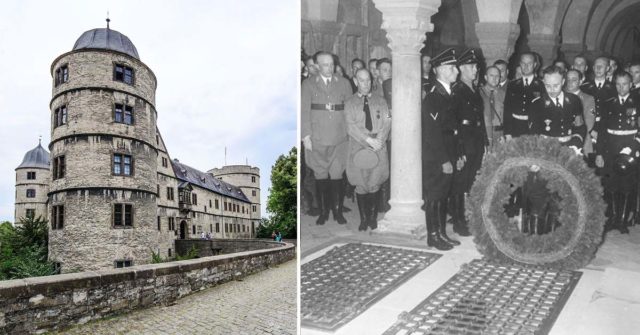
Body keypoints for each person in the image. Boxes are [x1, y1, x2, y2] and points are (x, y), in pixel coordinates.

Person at [301, 51, 352, 225]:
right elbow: (303, 111)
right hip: (318, 137)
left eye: (331, 64)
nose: (329, 68)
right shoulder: (308, 84)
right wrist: (305, 136)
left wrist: (350, 134)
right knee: (320, 174)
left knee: (337, 174)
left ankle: (337, 212)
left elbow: (350, 111)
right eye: (325, 65)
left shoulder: (344, 83)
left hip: (340, 137)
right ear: (316, 66)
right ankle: (323, 212)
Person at [422, 48, 465, 251]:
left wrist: (458, 155)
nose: (456, 71)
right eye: (452, 68)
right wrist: (443, 160)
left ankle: (441, 233)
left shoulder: (449, 94)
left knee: (442, 195)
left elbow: (455, 130)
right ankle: (433, 235)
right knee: (435, 195)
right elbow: (432, 134)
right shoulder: (432, 97)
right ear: (439, 70)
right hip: (437, 157)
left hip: (449, 153)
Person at [345, 69, 391, 231]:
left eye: (368, 80)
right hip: (358, 145)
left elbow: (387, 121)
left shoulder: (381, 101)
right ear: (355, 81)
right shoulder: (350, 103)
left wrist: (379, 139)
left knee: (374, 182)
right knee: (361, 183)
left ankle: (372, 218)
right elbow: (350, 126)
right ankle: (363, 219)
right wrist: (367, 139)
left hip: (378, 145)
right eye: (362, 80)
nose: (366, 84)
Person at [595, 71, 640, 234]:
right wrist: (599, 153)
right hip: (610, 148)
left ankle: (622, 220)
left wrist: (634, 147)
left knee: (627, 185)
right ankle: (613, 218)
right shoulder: (608, 103)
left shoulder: (638, 102)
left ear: (631, 84)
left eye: (625, 84)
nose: (621, 88)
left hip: (630, 149)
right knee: (611, 184)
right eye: (618, 84)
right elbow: (601, 131)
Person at [451, 49, 487, 238]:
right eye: (472, 66)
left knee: (471, 180)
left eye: (475, 66)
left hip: (476, 139)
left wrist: (485, 142)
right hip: (465, 140)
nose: (476, 69)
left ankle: (467, 216)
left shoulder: (474, 89)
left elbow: (479, 117)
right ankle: (458, 220)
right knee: (460, 182)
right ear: (462, 68)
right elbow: (454, 122)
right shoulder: (457, 90)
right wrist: (459, 149)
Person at [503, 52, 545, 138]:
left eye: (529, 63)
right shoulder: (512, 85)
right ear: (520, 64)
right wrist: (507, 133)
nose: (526, 66)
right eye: (523, 63)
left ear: (535, 64)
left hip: (534, 130)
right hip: (515, 129)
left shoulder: (542, 85)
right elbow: (507, 110)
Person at [581, 56, 617, 148]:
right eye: (596, 66)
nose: (598, 68)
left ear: (608, 68)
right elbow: (580, 112)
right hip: (588, 131)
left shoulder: (614, 89)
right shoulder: (584, 88)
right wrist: (591, 130)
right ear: (593, 68)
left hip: (607, 132)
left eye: (602, 66)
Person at [565, 69, 596, 163]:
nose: (570, 82)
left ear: (581, 81)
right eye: (568, 79)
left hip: (581, 143)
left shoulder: (588, 99)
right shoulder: (560, 97)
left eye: (574, 80)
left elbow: (588, 124)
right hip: (562, 142)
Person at [479, 66, 506, 150]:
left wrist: (505, 135)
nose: (494, 79)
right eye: (491, 76)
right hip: (484, 134)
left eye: (497, 76)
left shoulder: (504, 94)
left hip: (499, 134)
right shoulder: (478, 93)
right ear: (485, 77)